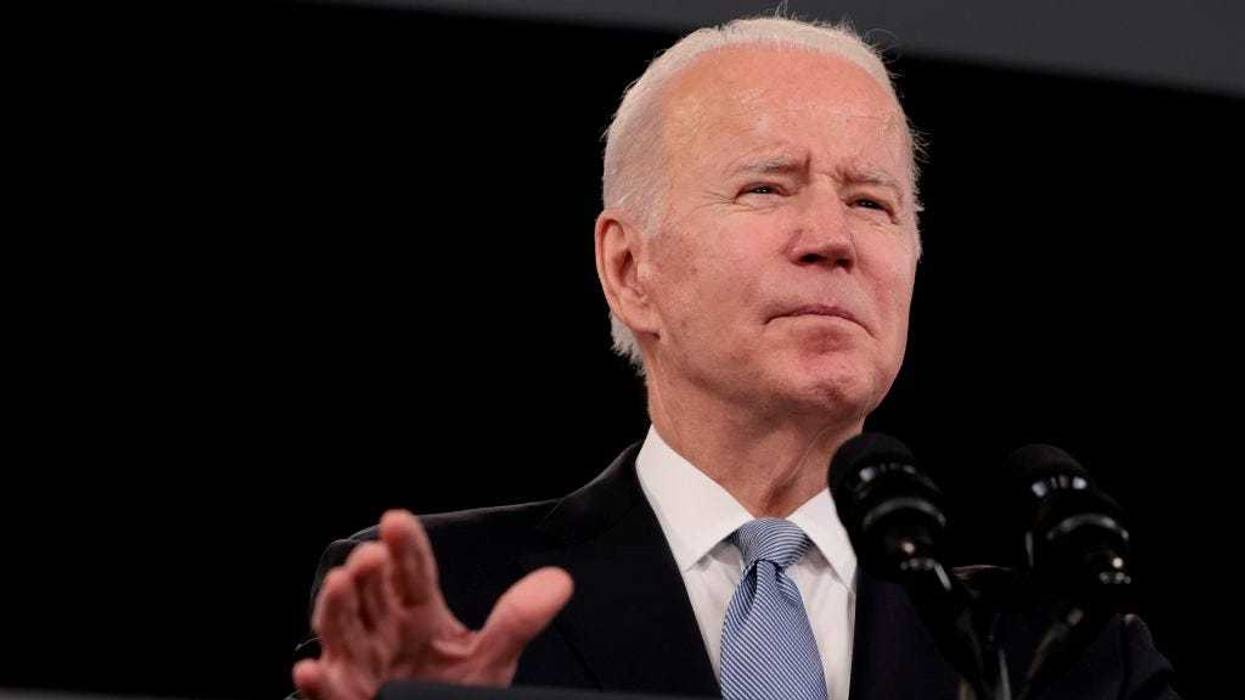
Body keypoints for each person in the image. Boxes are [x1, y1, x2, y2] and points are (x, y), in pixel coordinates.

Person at [292, 16, 1177, 700]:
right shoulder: (448, 601)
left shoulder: (1063, 651)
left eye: (871, 202)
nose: (832, 239)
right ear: (629, 269)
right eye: (766, 188)